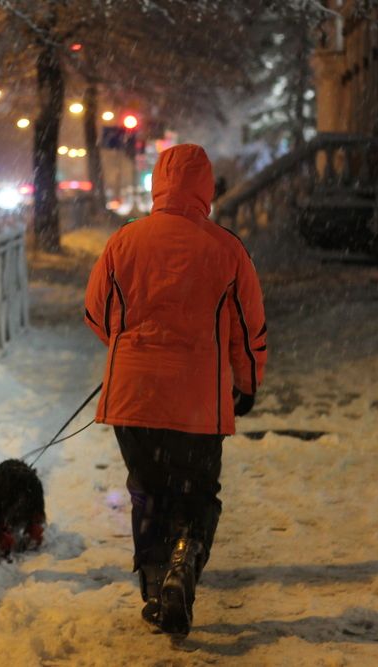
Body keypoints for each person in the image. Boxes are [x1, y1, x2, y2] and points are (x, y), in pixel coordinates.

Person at [84, 144, 267, 637]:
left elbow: (97, 313)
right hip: (198, 403)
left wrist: (132, 347)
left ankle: (154, 584)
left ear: (157, 184)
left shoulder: (124, 242)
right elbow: (248, 330)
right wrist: (246, 384)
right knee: (197, 493)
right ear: (206, 187)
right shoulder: (226, 249)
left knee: (147, 492)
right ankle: (185, 563)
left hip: (134, 397)